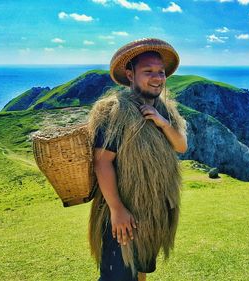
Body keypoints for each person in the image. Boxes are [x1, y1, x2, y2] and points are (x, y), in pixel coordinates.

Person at [86, 38, 188, 281]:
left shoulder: (165, 110)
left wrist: (162, 123)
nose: (157, 78)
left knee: (141, 271)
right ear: (130, 74)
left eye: (161, 72)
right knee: (117, 276)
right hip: (124, 216)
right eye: (148, 71)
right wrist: (117, 209)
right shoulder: (116, 111)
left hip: (153, 216)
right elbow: (102, 162)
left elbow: (181, 145)